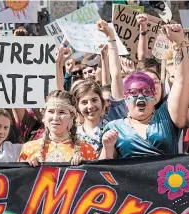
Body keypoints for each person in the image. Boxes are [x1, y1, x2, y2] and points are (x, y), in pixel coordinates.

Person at [99, 22, 189, 159]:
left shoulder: (168, 116)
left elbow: (181, 81)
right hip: (129, 180)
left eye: (147, 92)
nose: (140, 96)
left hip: (166, 179)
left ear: (155, 95)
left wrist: (179, 44)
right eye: (134, 93)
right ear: (125, 97)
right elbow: (105, 170)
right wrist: (107, 147)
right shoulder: (114, 127)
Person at [19, 90, 97, 166]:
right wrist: (26, 167)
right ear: (44, 116)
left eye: (62, 112)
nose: (55, 117)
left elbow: (94, 178)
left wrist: (83, 166)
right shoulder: (28, 149)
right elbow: (17, 177)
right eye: (51, 111)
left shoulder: (86, 150)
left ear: (72, 117)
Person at [73, 80, 107, 152]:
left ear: (102, 101)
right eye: (84, 102)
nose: (90, 106)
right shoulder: (74, 135)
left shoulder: (112, 128)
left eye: (94, 100)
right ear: (77, 107)